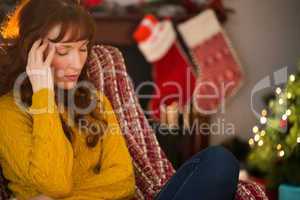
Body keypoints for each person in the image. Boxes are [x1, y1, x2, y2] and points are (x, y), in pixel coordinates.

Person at [0, 0, 239, 199]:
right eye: (63, 51)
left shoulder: (94, 100)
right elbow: (55, 184)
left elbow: (124, 181)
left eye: (83, 48)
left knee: (219, 160)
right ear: (33, 52)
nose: (77, 63)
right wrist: (43, 95)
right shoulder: (8, 112)